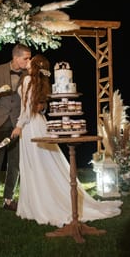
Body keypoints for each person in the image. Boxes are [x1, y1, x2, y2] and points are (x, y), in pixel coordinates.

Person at [11, 54, 123, 228]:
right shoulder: (40, 82)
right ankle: (43, 199)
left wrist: (18, 126)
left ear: (33, 67)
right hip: (41, 122)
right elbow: (36, 105)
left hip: (30, 125)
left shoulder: (27, 80)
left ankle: (38, 204)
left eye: (30, 61)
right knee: (45, 162)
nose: (27, 62)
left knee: (35, 164)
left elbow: (26, 109)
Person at [0, 43, 31, 217]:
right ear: (16, 58)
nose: (28, 61)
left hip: (17, 124)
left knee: (14, 164)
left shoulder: (28, 74)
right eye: (26, 58)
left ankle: (9, 199)